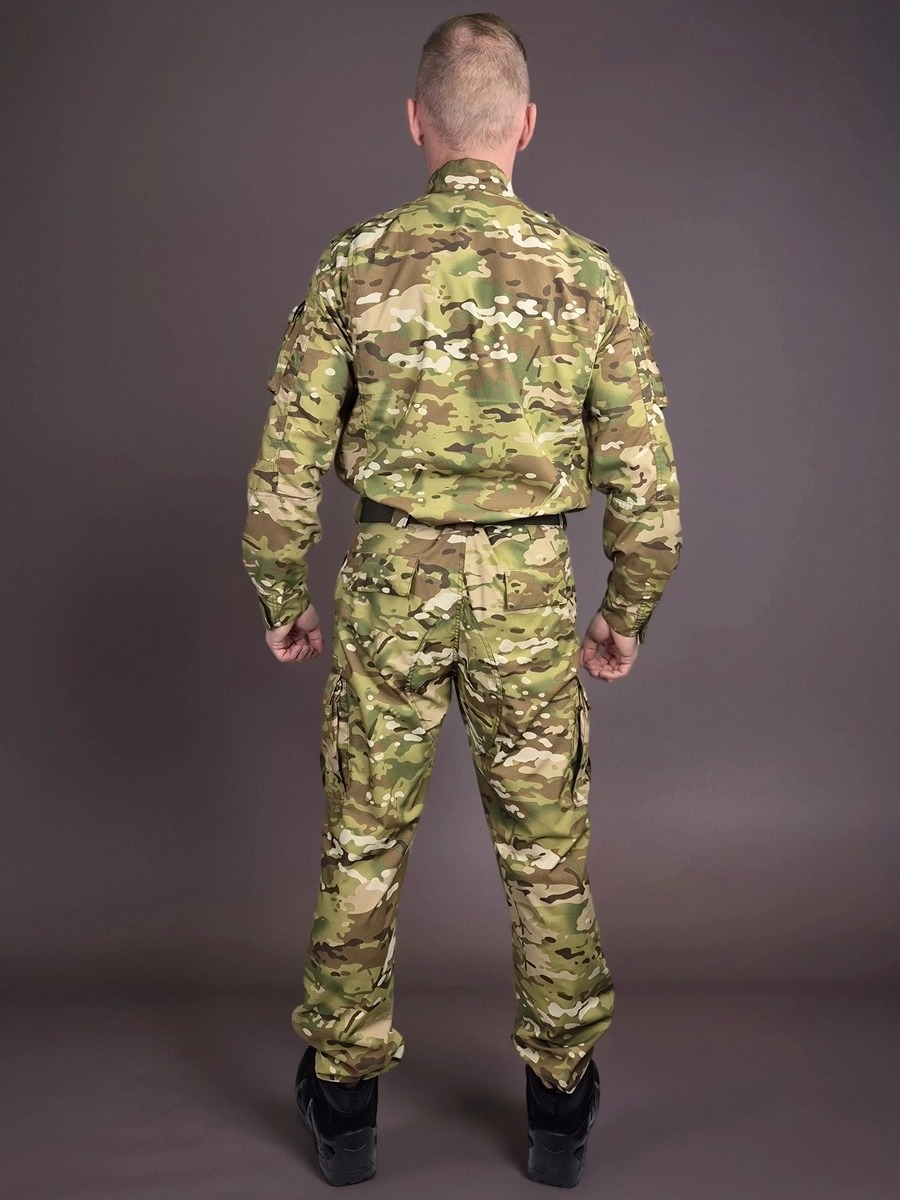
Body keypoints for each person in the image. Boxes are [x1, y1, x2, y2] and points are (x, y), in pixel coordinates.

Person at [241, 11, 682, 1188]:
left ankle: (343, 1109)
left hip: (391, 584)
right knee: (546, 852)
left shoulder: (354, 262)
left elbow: (287, 462)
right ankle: (560, 1109)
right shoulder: (587, 274)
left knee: (365, 837)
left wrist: (281, 590)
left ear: (415, 123)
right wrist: (625, 612)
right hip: (528, 596)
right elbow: (648, 487)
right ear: (525, 126)